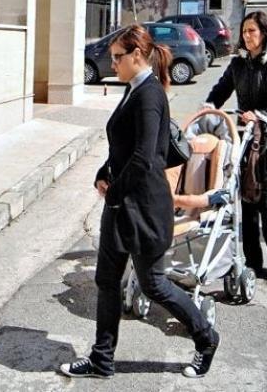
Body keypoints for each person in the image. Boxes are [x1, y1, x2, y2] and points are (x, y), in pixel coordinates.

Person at [60, 24, 221, 380]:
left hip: (143, 209)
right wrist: (104, 171)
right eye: (112, 56)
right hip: (120, 206)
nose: (111, 62)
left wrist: (114, 190)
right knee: (106, 280)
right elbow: (123, 147)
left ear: (137, 55)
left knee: (154, 284)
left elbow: (147, 156)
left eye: (118, 56)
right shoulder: (133, 89)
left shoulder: (150, 95)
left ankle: (206, 338)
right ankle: (102, 360)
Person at [202, 10, 267, 279]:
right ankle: (253, 261)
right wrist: (209, 107)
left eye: (252, 31)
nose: (247, 36)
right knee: (248, 201)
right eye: (244, 31)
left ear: (264, 33)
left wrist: (261, 115)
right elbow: (221, 88)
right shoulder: (239, 63)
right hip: (245, 139)